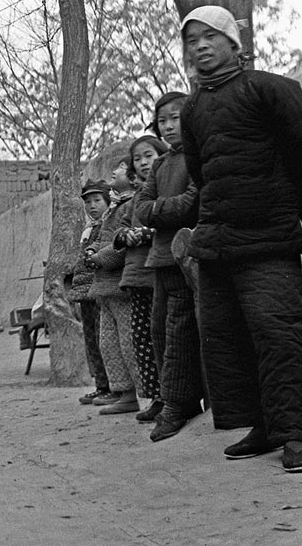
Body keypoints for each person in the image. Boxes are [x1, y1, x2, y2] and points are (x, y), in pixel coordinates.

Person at [180, 5, 302, 473]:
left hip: (267, 239)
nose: (201, 46)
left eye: (210, 36)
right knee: (229, 341)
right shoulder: (193, 108)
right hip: (217, 242)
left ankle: (297, 431)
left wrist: (287, 211)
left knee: (279, 334)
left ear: (233, 42)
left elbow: (301, 153)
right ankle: (264, 426)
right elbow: (200, 172)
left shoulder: (272, 90)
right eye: (192, 40)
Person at [136, 91, 203, 443]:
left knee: (179, 332)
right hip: (161, 257)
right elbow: (139, 207)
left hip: (186, 257)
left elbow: (191, 203)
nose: (168, 125)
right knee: (160, 331)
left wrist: (157, 211)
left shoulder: (196, 156)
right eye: (162, 120)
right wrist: (163, 209)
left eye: (175, 118)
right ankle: (172, 399)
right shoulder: (162, 164)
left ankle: (179, 404)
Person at [110, 135, 169, 423]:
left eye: (149, 155)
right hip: (136, 277)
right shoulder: (133, 201)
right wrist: (126, 235)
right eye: (137, 159)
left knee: (165, 338)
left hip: (161, 272)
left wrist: (144, 234)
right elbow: (118, 233)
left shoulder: (168, 189)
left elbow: (176, 223)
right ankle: (157, 397)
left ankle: (176, 397)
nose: (144, 163)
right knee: (142, 340)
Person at [84, 161, 139, 415]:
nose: (113, 173)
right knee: (109, 343)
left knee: (129, 343)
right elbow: (104, 238)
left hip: (120, 286)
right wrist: (94, 250)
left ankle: (139, 395)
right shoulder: (114, 209)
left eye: (118, 168)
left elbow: (120, 245)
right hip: (105, 288)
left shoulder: (130, 205)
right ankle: (124, 393)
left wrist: (99, 258)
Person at [67, 179, 111, 405]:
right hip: (85, 293)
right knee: (91, 340)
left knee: (104, 340)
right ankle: (100, 385)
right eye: (88, 202)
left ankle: (112, 387)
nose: (92, 206)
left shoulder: (107, 225)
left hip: (99, 291)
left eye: (97, 200)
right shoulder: (88, 229)